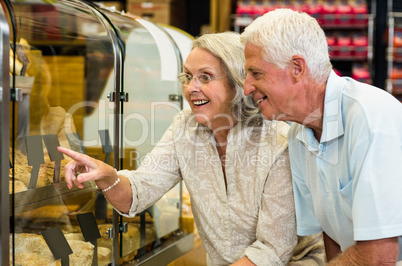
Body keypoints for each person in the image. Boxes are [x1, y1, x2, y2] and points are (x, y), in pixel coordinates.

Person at [58, 31, 324, 265]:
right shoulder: (185, 128)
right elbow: (138, 193)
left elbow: (272, 251)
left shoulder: (277, 140)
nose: (191, 88)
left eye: (205, 78)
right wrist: (107, 176)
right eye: (187, 76)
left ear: (237, 82)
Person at [241, 8, 402, 265]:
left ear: (297, 68)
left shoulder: (369, 117)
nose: (247, 87)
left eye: (256, 73)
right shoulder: (298, 135)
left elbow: (378, 257)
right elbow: (333, 233)